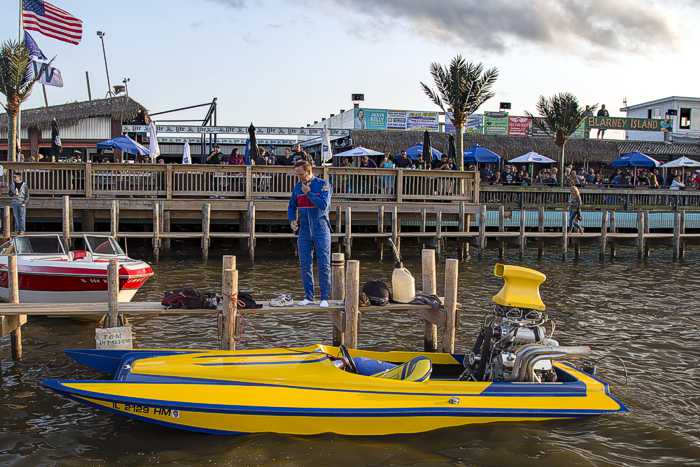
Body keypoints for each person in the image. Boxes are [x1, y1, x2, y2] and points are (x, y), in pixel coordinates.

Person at [288, 160, 332, 307]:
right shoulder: (297, 187)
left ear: (308, 171)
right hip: (304, 230)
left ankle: (325, 297)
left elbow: (323, 205)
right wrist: (292, 219)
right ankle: (309, 297)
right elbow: (292, 205)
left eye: (301, 174)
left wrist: (310, 193)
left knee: (323, 264)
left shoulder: (323, 184)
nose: (299, 177)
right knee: (305, 264)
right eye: (297, 175)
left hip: (321, 229)